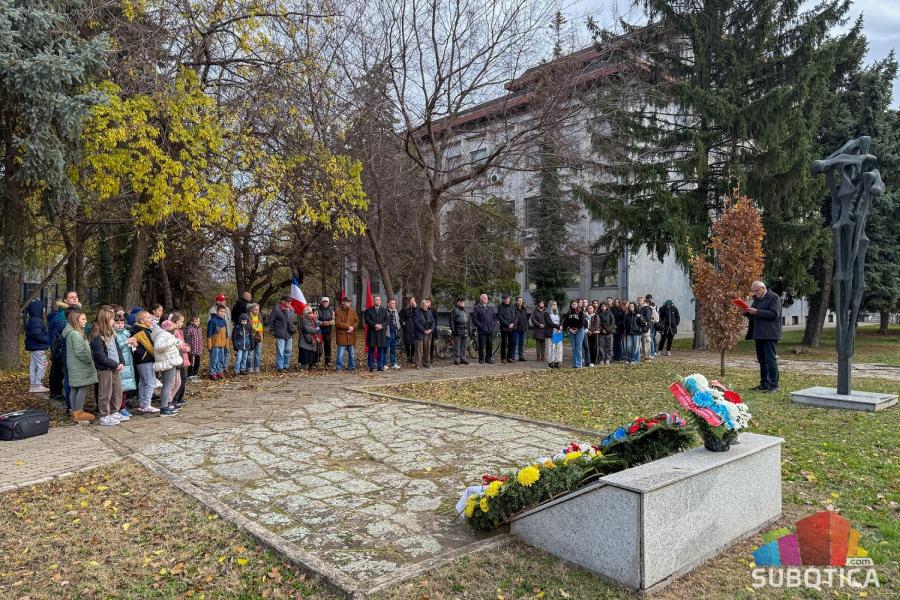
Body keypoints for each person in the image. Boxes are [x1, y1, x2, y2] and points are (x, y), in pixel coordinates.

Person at [744, 280, 783, 393]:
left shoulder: (774, 298)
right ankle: (764, 383)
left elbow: (774, 314)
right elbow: (753, 313)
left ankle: (774, 385)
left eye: (756, 290)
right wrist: (746, 310)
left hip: (770, 334)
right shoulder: (757, 299)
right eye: (753, 291)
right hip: (759, 334)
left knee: (770, 359)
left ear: (763, 288)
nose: (755, 293)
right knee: (762, 360)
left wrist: (757, 312)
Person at [89, 307, 126, 426]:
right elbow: (100, 355)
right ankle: (104, 415)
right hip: (105, 368)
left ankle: (114, 411)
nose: (113, 321)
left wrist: (121, 362)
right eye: (111, 319)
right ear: (105, 319)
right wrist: (114, 364)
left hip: (115, 367)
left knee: (117, 390)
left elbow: (117, 349)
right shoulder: (97, 334)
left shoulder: (111, 332)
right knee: (105, 392)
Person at [62, 310, 97, 423]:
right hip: (80, 366)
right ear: (75, 321)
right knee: (81, 388)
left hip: (75, 366)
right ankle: (79, 412)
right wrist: (89, 360)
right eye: (83, 319)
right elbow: (80, 351)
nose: (85, 321)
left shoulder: (72, 332)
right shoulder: (75, 334)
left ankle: (74, 412)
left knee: (75, 388)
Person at [48, 290, 82, 402]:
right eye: (71, 297)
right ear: (65, 300)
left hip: (70, 345)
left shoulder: (78, 311)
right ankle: (56, 392)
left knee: (60, 370)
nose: (74, 299)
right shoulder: (61, 315)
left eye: (76, 297)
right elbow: (56, 333)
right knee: (58, 369)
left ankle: (57, 391)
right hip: (60, 346)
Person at [128, 311, 158, 413]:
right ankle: (147, 405)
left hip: (141, 361)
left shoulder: (139, 329)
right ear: (142, 321)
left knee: (143, 383)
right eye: (148, 318)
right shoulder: (142, 331)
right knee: (150, 382)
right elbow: (150, 346)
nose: (151, 319)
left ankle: (142, 404)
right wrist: (158, 358)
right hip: (145, 360)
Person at [152, 319, 183, 416]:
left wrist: (177, 342)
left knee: (168, 384)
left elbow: (173, 345)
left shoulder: (166, 335)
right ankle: (164, 407)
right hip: (167, 362)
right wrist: (172, 340)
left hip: (168, 361)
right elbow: (159, 346)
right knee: (168, 385)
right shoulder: (163, 335)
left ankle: (166, 405)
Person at [113, 310, 136, 419]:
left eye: (122, 323)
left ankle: (123, 407)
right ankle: (118, 408)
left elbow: (128, 348)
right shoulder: (113, 334)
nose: (120, 325)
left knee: (126, 387)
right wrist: (126, 342)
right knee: (119, 388)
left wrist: (133, 344)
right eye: (117, 323)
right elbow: (116, 347)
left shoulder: (126, 332)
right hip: (120, 363)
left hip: (128, 363)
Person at [24, 298, 50, 393]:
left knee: (34, 365)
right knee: (43, 364)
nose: (44, 310)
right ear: (38, 309)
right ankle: (37, 385)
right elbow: (37, 334)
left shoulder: (32, 320)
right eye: (43, 308)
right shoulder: (37, 321)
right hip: (38, 347)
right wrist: (47, 339)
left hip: (33, 347)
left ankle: (33, 385)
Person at [269, 295, 296, 373]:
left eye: (290, 301)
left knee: (288, 350)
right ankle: (280, 367)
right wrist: (272, 330)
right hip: (279, 333)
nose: (289, 302)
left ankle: (286, 366)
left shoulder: (292, 309)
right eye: (287, 301)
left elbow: (293, 321)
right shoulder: (276, 308)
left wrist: (293, 327)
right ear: (282, 301)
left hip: (289, 333)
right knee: (280, 351)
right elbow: (271, 320)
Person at [364, 295, 390, 372]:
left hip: (381, 333)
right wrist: (375, 325)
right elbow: (367, 320)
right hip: (372, 333)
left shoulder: (384, 310)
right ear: (373, 301)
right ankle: (371, 366)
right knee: (371, 350)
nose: (378, 301)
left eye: (379, 300)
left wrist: (381, 326)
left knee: (381, 351)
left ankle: (380, 366)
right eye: (377, 300)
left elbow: (387, 320)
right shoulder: (369, 310)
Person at [208, 294, 233, 370]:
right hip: (216, 337)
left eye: (225, 300)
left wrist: (229, 333)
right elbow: (210, 324)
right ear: (217, 301)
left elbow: (229, 321)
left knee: (226, 351)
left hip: (226, 334)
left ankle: (222, 368)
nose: (224, 301)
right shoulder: (212, 310)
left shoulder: (227, 309)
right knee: (215, 354)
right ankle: (214, 369)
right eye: (222, 300)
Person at [170, 313, 189, 408]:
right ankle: (175, 399)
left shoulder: (179, 331)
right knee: (178, 380)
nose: (182, 323)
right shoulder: (174, 332)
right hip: (178, 358)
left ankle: (180, 398)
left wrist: (186, 345)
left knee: (182, 379)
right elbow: (178, 345)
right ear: (175, 321)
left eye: (182, 321)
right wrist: (185, 348)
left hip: (182, 358)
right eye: (180, 321)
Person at [334, 296, 359, 371]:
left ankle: (352, 366)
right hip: (342, 335)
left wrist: (353, 328)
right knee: (340, 353)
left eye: (349, 302)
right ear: (343, 302)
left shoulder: (352, 311)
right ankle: (339, 367)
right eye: (347, 302)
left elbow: (357, 321)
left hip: (351, 335)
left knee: (352, 353)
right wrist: (348, 327)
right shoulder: (338, 311)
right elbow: (338, 323)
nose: (349, 303)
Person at [207, 305, 229, 379]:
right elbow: (209, 334)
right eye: (220, 311)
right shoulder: (212, 321)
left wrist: (226, 344)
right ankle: (212, 372)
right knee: (214, 359)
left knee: (221, 359)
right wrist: (209, 344)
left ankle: (219, 371)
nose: (222, 313)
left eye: (224, 312)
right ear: (217, 312)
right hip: (215, 344)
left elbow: (226, 334)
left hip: (222, 344)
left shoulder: (224, 321)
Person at [473, 293, 496, 364]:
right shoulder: (477, 308)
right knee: (481, 345)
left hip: (490, 330)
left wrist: (493, 325)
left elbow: (494, 318)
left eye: (486, 298)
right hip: (482, 330)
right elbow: (475, 319)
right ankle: (481, 359)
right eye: (483, 298)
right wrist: (481, 326)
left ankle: (488, 358)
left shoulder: (490, 308)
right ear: (481, 299)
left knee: (489, 345)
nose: (485, 299)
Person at [564, 300, 587, 368]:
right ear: (571, 305)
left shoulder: (581, 312)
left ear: (577, 305)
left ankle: (579, 365)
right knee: (574, 348)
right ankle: (574, 364)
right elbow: (566, 322)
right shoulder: (569, 313)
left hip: (579, 331)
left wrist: (576, 329)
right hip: (571, 331)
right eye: (573, 304)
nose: (574, 305)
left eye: (575, 304)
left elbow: (582, 322)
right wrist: (570, 329)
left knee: (578, 348)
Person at [414, 298, 436, 368]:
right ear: (421, 305)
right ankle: (418, 364)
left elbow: (433, 322)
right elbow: (416, 323)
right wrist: (423, 330)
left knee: (427, 349)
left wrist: (431, 330)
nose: (427, 307)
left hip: (428, 333)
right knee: (419, 350)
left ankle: (426, 363)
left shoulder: (429, 312)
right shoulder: (417, 312)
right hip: (420, 333)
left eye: (427, 305)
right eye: (425, 306)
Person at [449, 297, 469, 365]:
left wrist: (469, 329)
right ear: (457, 302)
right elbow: (451, 321)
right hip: (458, 330)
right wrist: (453, 330)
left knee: (464, 346)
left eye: (463, 301)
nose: (462, 302)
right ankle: (456, 359)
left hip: (465, 330)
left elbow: (468, 321)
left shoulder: (465, 311)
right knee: (457, 346)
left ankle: (463, 358)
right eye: (461, 301)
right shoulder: (455, 310)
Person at [497, 294, 516, 364]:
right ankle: (503, 358)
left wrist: (513, 323)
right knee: (504, 343)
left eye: (507, 299)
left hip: (512, 327)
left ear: (509, 299)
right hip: (504, 328)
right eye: (505, 299)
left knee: (511, 342)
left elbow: (516, 315)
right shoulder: (500, 306)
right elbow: (500, 317)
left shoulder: (512, 306)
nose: (506, 300)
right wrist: (508, 324)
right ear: (503, 300)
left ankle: (509, 357)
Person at [317, 297, 335, 367]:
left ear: (328, 302)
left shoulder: (331, 311)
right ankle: (317, 360)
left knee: (328, 347)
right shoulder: (317, 310)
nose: (325, 303)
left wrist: (329, 322)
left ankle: (328, 361)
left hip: (328, 331)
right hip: (319, 332)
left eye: (326, 302)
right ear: (321, 302)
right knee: (318, 347)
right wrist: (321, 323)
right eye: (324, 301)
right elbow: (315, 320)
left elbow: (334, 320)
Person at [545, 300, 564, 368]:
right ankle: (550, 363)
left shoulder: (558, 313)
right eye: (553, 304)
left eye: (556, 304)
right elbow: (549, 323)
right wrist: (558, 327)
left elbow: (561, 321)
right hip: (551, 332)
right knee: (551, 347)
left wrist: (560, 327)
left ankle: (557, 362)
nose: (555, 306)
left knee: (558, 347)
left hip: (558, 332)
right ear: (550, 305)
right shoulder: (546, 313)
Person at [399, 297, 417, 365]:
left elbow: (418, 315)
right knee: (407, 343)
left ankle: (412, 357)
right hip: (407, 328)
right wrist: (403, 322)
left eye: (414, 300)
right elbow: (400, 316)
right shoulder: (405, 309)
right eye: (412, 300)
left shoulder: (416, 309)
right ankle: (408, 357)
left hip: (414, 328)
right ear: (409, 301)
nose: (413, 301)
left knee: (413, 343)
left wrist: (415, 307)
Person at [185, 315, 204, 379]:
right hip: (192, 349)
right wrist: (188, 347)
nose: (197, 322)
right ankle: (190, 374)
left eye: (198, 321)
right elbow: (187, 339)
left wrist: (201, 347)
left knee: (197, 361)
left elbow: (200, 338)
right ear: (192, 322)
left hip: (198, 349)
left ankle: (195, 373)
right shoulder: (190, 329)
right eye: (196, 321)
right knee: (191, 362)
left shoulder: (200, 329)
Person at [247, 303, 263, 373]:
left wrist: (261, 336)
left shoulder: (260, 316)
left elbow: (261, 327)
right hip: (251, 337)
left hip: (259, 337)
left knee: (258, 353)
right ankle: (250, 367)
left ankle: (257, 367)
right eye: (255, 309)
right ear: (251, 309)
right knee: (250, 353)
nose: (257, 311)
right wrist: (254, 328)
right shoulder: (247, 317)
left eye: (258, 309)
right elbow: (248, 327)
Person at [386, 298, 401, 369]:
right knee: (386, 349)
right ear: (388, 304)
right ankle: (385, 364)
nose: (394, 304)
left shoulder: (395, 311)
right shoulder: (385, 311)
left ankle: (393, 363)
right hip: (388, 333)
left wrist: (398, 329)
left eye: (394, 303)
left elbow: (397, 321)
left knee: (393, 349)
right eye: (392, 303)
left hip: (395, 332)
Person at [637, 296, 654, 361]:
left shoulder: (646, 308)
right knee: (640, 343)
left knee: (646, 342)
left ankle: (647, 357)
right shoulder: (638, 308)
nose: (639, 301)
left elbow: (647, 318)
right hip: (639, 328)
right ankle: (642, 356)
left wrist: (640, 317)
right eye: (638, 300)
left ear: (643, 301)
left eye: (640, 300)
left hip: (645, 328)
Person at [513, 296, 529, 361]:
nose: (520, 302)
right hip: (516, 329)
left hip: (522, 329)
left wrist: (526, 327)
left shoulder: (524, 309)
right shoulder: (513, 308)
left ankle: (521, 356)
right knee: (515, 343)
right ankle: (513, 356)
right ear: (516, 301)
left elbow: (525, 319)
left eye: (521, 300)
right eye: (519, 300)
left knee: (521, 343)